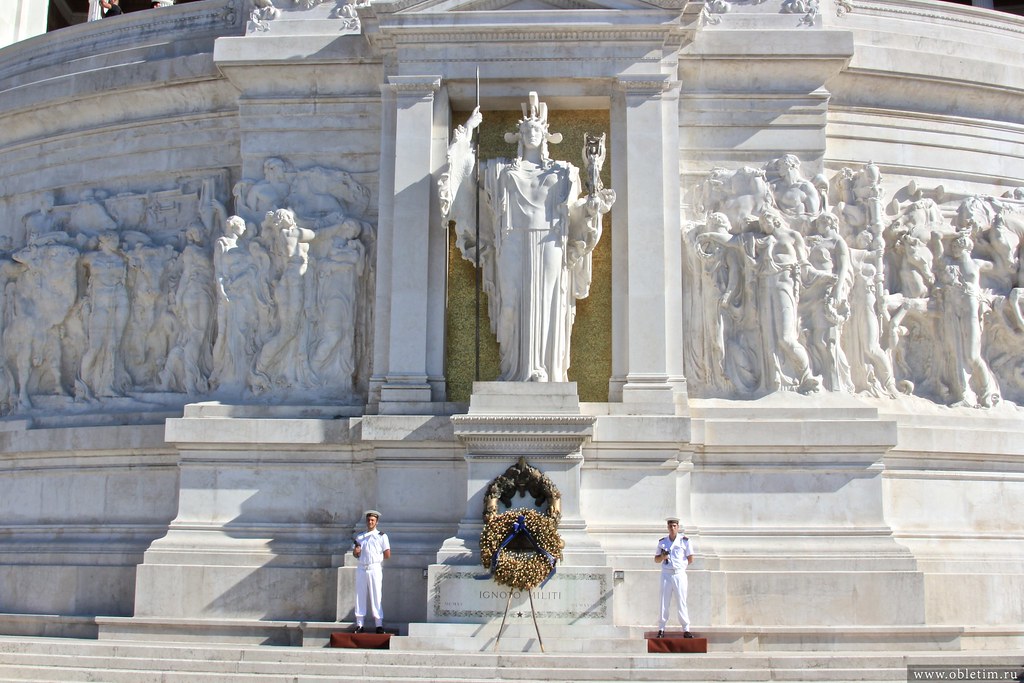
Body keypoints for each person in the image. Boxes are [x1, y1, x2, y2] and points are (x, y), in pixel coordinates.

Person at [439, 92, 615, 382]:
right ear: (519, 134)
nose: (532, 131)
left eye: (537, 128)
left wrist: (593, 188)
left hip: (550, 243)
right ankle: (512, 370)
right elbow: (464, 178)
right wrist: (467, 131)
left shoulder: (564, 172)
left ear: (545, 134)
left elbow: (577, 212)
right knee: (509, 304)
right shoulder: (498, 169)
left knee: (547, 304)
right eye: (527, 128)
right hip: (511, 242)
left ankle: (544, 371)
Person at [654, 516, 694, 639]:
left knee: (681, 600)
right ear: (667, 527)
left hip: (679, 574)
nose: (672, 528)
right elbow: (656, 559)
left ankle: (686, 628)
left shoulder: (685, 541)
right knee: (664, 601)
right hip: (666, 574)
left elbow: (690, 558)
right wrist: (663, 557)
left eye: (674, 526)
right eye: (670, 526)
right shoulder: (662, 542)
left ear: (678, 527)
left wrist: (681, 567)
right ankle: (661, 628)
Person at [352, 509, 391, 634]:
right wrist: (356, 552)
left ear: (377, 522)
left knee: (376, 595)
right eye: (369, 520)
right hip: (362, 567)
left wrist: (376, 559)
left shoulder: (381, 536)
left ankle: (378, 624)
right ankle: (359, 624)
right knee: (360, 595)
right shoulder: (360, 537)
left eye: (373, 520)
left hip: (374, 567)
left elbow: (387, 554)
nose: (370, 522)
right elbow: (355, 553)